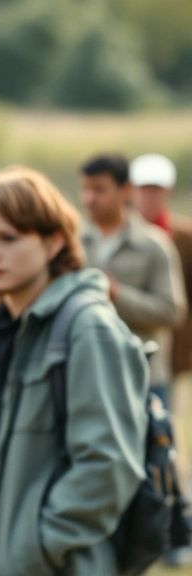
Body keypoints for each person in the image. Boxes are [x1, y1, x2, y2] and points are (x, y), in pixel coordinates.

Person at [0, 167, 148, 576]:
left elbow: (107, 468)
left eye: (8, 238)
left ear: (53, 243)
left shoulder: (88, 328)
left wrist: (35, 551)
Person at [78, 153, 187, 408]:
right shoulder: (74, 244)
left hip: (143, 376)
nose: (89, 199)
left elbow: (172, 311)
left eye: (99, 190)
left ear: (125, 190)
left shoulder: (154, 246)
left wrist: (117, 294)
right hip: (86, 375)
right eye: (85, 189)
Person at [129, 152, 192, 567]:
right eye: (143, 187)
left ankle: (174, 532)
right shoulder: (116, 237)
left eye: (156, 188)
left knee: (164, 444)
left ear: (166, 192)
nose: (149, 195)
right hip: (127, 357)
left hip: (171, 357)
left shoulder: (183, 238)